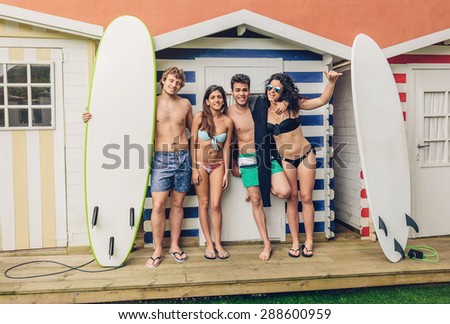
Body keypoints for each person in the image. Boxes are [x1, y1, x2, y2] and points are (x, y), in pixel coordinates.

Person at [84, 67, 193, 268]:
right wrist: (94, 116)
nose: (174, 85)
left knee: (178, 204)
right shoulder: (151, 103)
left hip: (183, 158)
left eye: (178, 83)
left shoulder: (185, 104)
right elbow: (124, 118)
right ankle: (158, 249)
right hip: (161, 158)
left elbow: (194, 131)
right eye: (171, 80)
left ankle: (175, 246)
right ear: (163, 80)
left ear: (181, 85)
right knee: (159, 205)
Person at [254, 71, 341, 258]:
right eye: (269, 87)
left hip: (305, 156)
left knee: (306, 198)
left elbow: (321, 100)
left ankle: (309, 240)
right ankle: (295, 241)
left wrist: (331, 82)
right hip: (286, 159)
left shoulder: (293, 106)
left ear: (283, 90)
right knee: (292, 199)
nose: (271, 91)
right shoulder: (263, 110)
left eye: (276, 88)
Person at [226, 74, 290, 261]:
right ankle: (267, 243)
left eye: (244, 89)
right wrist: (233, 164)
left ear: (249, 90)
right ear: (232, 91)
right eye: (237, 90)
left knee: (284, 191)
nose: (241, 93)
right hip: (246, 159)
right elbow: (229, 142)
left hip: (265, 156)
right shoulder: (228, 112)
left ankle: (260, 187)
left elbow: (280, 95)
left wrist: (285, 102)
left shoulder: (259, 104)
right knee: (256, 202)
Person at [190, 85, 233, 260]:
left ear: (223, 100)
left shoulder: (228, 121)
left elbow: (227, 148)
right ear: (207, 100)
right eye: (213, 97)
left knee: (216, 204)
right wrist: (193, 168)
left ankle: (218, 243)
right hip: (200, 164)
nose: (217, 100)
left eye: (219, 97)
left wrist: (226, 172)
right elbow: (192, 143)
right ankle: (208, 243)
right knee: (204, 203)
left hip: (218, 165)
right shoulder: (199, 117)